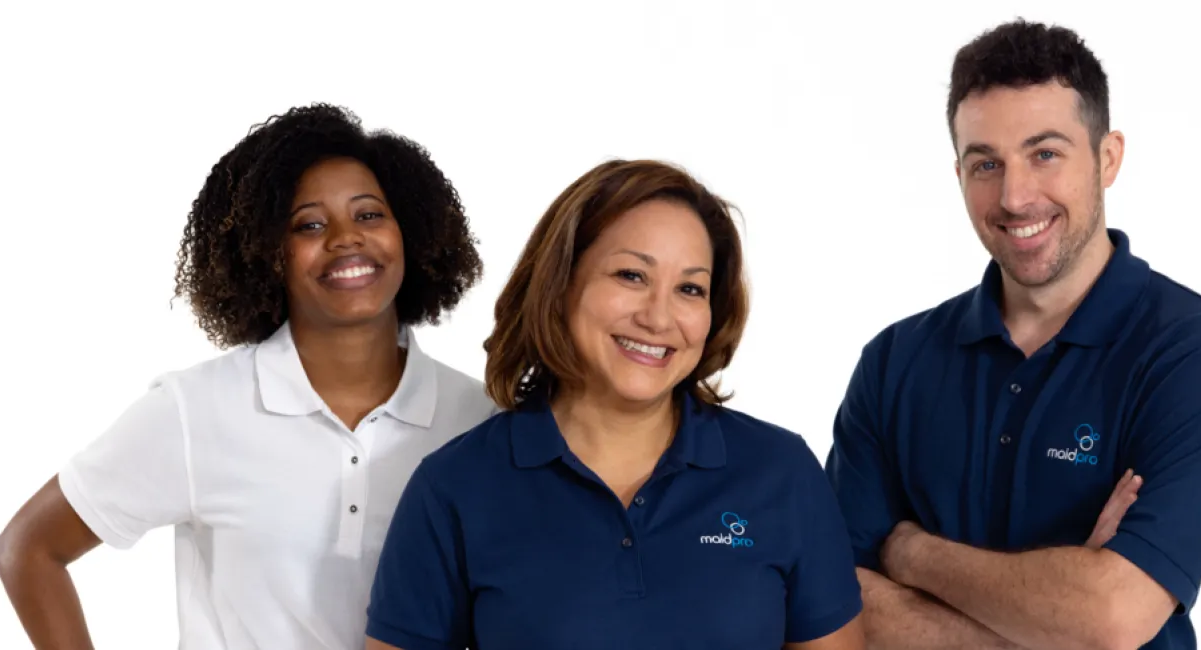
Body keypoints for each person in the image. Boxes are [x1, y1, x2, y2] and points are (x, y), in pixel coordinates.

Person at [824, 19, 1201, 650]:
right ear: (957, 175)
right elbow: (835, 610)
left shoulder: (1198, 356)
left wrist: (911, 552)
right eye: (985, 164)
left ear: (1107, 158)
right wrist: (1060, 622)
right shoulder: (895, 362)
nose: (1014, 196)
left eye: (1045, 154)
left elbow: (1112, 616)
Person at [0, 104, 498, 650]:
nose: (346, 238)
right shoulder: (196, 410)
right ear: (267, 254)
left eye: (370, 214)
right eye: (309, 224)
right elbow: (29, 548)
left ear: (412, 232)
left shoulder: (478, 421)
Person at [362, 159, 866, 650]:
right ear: (560, 284)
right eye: (631, 276)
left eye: (690, 288)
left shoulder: (781, 473)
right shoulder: (454, 487)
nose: (658, 316)